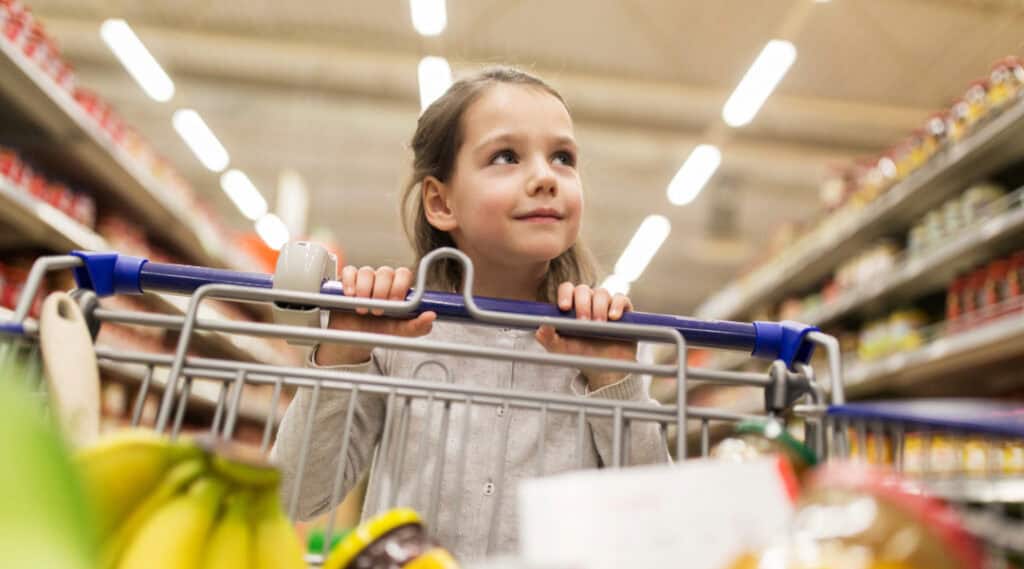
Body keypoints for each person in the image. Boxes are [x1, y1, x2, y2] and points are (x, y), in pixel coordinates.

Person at [271, 66, 670, 561]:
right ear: (440, 202)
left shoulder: (600, 342)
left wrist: (617, 383)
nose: (546, 177)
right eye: (507, 156)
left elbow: (657, 522)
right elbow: (294, 495)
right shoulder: (397, 332)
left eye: (563, 157)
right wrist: (344, 356)